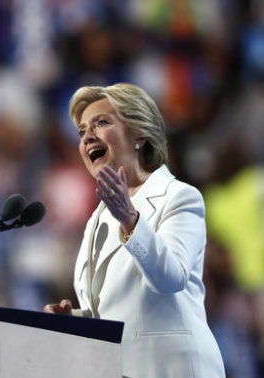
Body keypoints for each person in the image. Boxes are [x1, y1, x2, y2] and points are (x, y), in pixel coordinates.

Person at [44, 83, 225, 377]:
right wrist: (74, 318)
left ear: (139, 133)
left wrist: (130, 220)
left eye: (101, 122)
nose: (88, 135)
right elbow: (116, 310)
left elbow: (170, 278)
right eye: (81, 131)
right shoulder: (97, 219)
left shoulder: (179, 196)